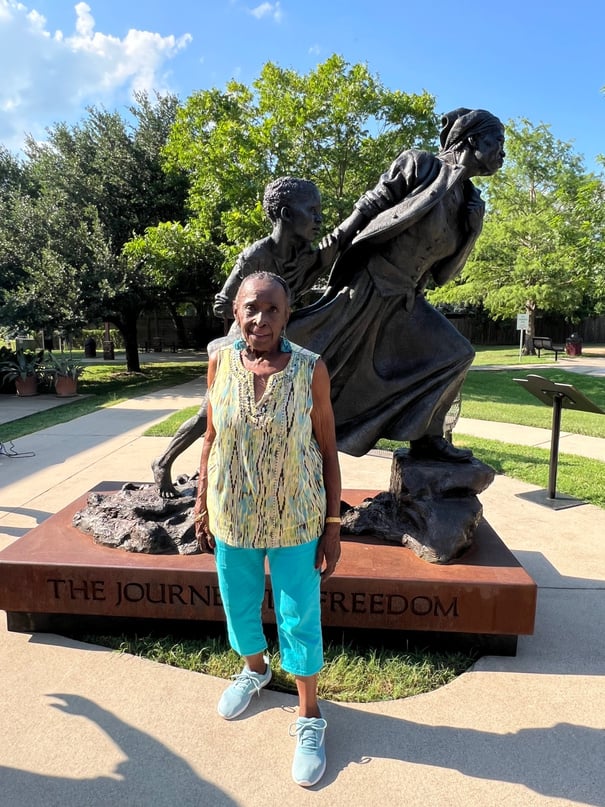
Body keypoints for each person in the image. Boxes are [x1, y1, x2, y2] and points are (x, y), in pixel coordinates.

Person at [287, 108, 506, 461]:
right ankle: (263, 420)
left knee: (456, 354)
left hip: (406, 299)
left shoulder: (471, 201)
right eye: (498, 141)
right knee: (313, 360)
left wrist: (473, 231)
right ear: (471, 140)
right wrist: (336, 239)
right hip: (369, 285)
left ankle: (428, 438)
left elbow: (443, 275)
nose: (502, 152)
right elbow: (373, 203)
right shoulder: (421, 164)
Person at [193, 271, 341, 788]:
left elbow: (327, 449)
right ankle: (255, 669)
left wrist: (334, 525)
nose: (261, 319)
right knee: (238, 601)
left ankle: (309, 717)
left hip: (297, 517)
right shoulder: (220, 362)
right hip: (232, 513)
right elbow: (211, 437)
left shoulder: (309, 369)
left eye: (273, 309)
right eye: (251, 308)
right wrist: (201, 502)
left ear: (287, 314)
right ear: (235, 311)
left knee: (298, 614)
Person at [153, 177, 338, 498]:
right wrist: (256, 318)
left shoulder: (304, 255)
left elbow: (340, 241)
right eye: (312, 210)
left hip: (275, 350)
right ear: (285, 214)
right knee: (206, 417)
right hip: (241, 348)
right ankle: (163, 461)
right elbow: (221, 303)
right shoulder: (256, 256)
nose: (319, 219)